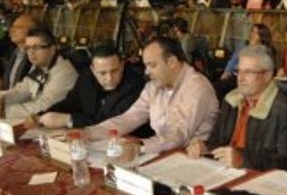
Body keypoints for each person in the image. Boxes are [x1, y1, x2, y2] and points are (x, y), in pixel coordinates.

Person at [89, 37, 219, 154]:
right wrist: (88, 133)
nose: (146, 71)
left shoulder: (196, 86)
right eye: (146, 66)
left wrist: (140, 146)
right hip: (162, 154)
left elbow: (178, 134)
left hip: (193, 160)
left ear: (172, 62)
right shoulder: (153, 86)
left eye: (152, 65)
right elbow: (130, 118)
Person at [187, 45, 287, 171]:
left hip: (256, 179)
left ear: (267, 75)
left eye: (248, 72)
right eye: (238, 71)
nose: (240, 78)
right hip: (223, 171)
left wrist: (243, 159)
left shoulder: (285, 111)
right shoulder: (230, 101)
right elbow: (217, 142)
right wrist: (205, 147)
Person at [35, 43, 150, 135]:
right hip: (89, 136)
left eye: (114, 71)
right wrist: (41, 116)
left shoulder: (135, 84)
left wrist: (69, 120)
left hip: (125, 139)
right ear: (93, 70)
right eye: (102, 73)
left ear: (122, 65)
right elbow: (71, 102)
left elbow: (112, 120)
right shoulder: (87, 77)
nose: (109, 78)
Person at [0, 28, 78, 119]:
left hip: (57, 124)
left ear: (52, 49)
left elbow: (44, 106)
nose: (31, 53)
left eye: (36, 47)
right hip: (39, 121)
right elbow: (22, 90)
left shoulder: (64, 72)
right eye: (27, 48)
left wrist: (2, 111)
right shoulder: (39, 65)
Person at [2, 14, 37, 89]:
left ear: (29, 31)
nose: (11, 30)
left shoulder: (36, 56)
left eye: (17, 27)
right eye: (12, 27)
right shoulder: (14, 52)